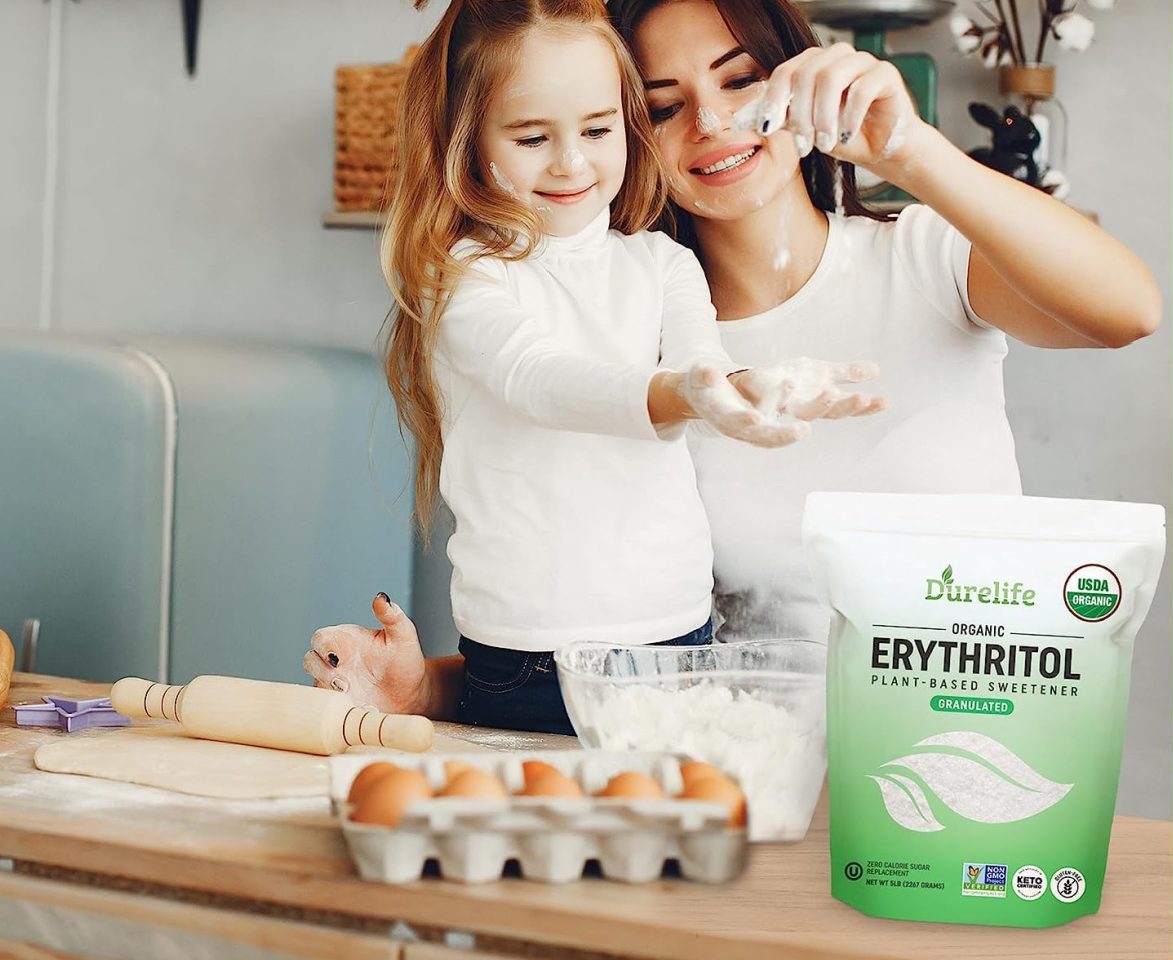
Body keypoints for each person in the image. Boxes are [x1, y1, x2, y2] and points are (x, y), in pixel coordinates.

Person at [306, 0, 1159, 724]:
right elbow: (619, 652)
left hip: (967, 741)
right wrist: (428, 691)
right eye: (663, 104)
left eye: (739, 78)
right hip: (747, 779)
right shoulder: (629, 339)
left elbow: (1127, 313)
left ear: (794, 74)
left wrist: (912, 153)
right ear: (628, 131)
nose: (711, 122)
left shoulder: (921, 261)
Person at [305, 0, 882, 734]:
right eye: (530, 136)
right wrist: (681, 396)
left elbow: (701, 359)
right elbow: (540, 380)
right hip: (528, 659)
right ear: (467, 140)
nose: (570, 161)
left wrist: (745, 390)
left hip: (677, 638)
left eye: (597, 130)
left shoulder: (664, 263)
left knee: (661, 835)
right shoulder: (463, 277)